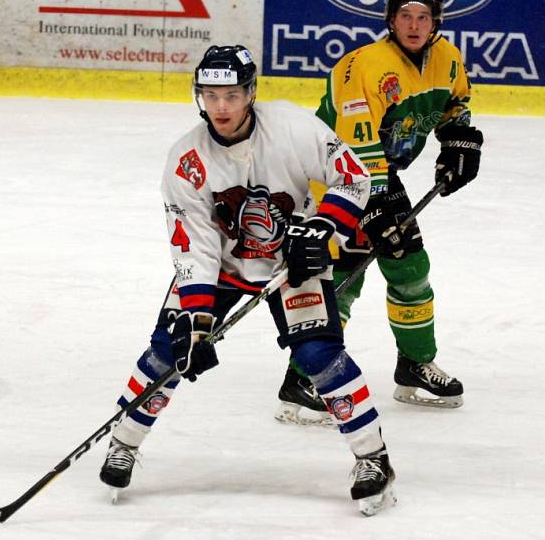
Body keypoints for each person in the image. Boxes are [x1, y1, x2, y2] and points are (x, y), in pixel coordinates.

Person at [99, 45, 395, 515]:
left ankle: (372, 457)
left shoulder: (294, 128)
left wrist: (322, 227)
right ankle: (125, 442)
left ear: (251, 93)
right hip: (221, 268)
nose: (220, 107)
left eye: (232, 95)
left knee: (319, 355)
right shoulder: (187, 160)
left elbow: (352, 176)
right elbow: (194, 245)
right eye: (210, 95)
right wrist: (196, 318)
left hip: (292, 261)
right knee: (168, 350)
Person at [275, 0, 483, 421]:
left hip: (380, 175)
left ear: (436, 22)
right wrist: (376, 208)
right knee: (344, 274)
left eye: (423, 17)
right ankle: (303, 378)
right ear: (390, 19)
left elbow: (455, 104)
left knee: (409, 265)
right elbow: (355, 152)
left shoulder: (447, 59)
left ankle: (413, 363)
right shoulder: (362, 66)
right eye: (405, 16)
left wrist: (459, 141)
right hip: (332, 179)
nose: (413, 24)